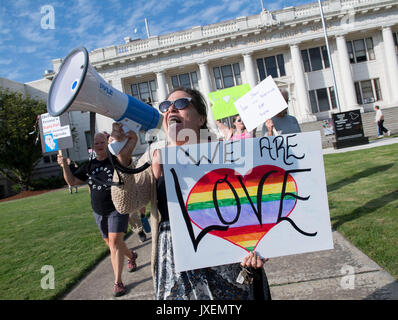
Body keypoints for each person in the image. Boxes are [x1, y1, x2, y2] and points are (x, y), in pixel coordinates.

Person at [110, 87, 271, 300]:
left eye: (181, 104)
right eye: (166, 106)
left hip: (226, 260)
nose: (171, 110)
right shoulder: (155, 156)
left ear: (201, 118)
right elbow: (125, 204)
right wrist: (123, 161)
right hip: (176, 262)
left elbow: (254, 207)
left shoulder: (225, 153)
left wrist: (259, 246)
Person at [57, 132, 139, 297]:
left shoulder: (116, 161)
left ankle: (118, 282)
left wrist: (128, 138)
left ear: (107, 143)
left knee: (115, 243)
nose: (99, 145)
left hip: (117, 207)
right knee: (111, 243)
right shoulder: (89, 166)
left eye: (102, 142)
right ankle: (131, 256)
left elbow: (129, 158)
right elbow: (72, 182)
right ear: (93, 146)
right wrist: (64, 166)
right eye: (96, 143)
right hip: (98, 211)